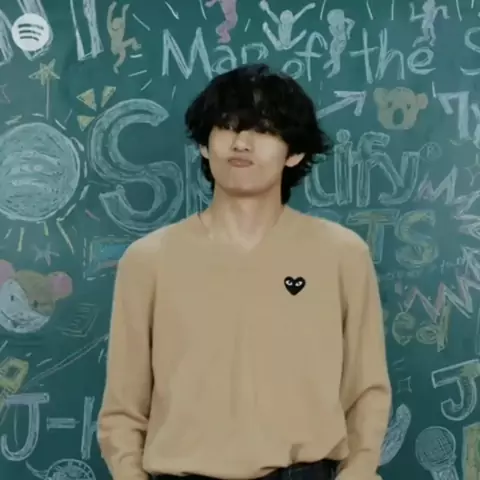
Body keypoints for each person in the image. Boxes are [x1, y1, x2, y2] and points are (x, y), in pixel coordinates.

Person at [97, 63, 392, 480]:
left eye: (265, 130)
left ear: (295, 152)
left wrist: (359, 470)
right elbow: (123, 407)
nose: (241, 143)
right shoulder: (149, 259)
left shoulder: (341, 254)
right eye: (227, 127)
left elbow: (366, 389)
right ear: (204, 144)